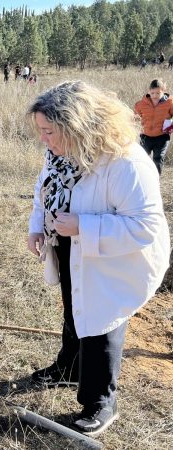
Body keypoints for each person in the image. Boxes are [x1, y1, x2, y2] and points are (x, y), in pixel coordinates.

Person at [27, 81, 170, 437]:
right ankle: (68, 367)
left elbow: (144, 227)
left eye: (49, 131)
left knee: (102, 324)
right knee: (75, 308)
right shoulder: (61, 152)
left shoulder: (127, 163)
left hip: (116, 259)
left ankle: (100, 402)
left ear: (76, 126)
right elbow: (43, 189)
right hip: (73, 247)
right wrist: (37, 226)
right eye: (41, 131)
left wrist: (83, 226)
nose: (44, 139)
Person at [134, 79, 173, 175]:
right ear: (149, 91)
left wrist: (170, 126)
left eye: (158, 93)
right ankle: (143, 178)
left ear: (163, 90)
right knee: (142, 159)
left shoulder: (170, 103)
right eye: (152, 93)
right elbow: (135, 118)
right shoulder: (141, 104)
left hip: (162, 136)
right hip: (145, 136)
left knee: (158, 158)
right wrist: (137, 126)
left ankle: (156, 180)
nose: (155, 96)